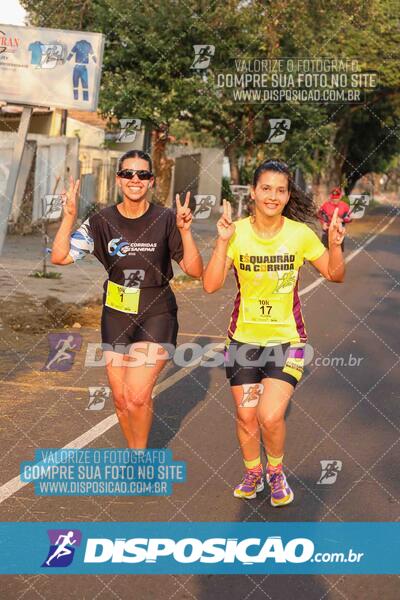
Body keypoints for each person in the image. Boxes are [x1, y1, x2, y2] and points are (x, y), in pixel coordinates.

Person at [203, 159, 345, 507]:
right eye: (266, 188)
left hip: (288, 341)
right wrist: (222, 243)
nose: (273, 196)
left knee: (269, 415)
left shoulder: (299, 235)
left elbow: (335, 274)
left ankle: (276, 472)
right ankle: (253, 471)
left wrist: (335, 243)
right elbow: (210, 285)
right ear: (253, 192)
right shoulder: (234, 232)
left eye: (280, 190)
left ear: (287, 195)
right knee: (246, 415)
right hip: (243, 343)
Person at [51, 150, 203, 449]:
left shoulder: (166, 219)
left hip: (156, 312)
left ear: (151, 181)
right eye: (129, 174)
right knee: (121, 399)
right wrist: (68, 217)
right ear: (119, 179)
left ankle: (139, 455)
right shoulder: (100, 221)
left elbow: (196, 271)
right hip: (116, 314)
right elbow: (59, 257)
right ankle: (135, 453)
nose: (136, 179)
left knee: (136, 395)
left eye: (143, 175)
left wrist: (186, 232)